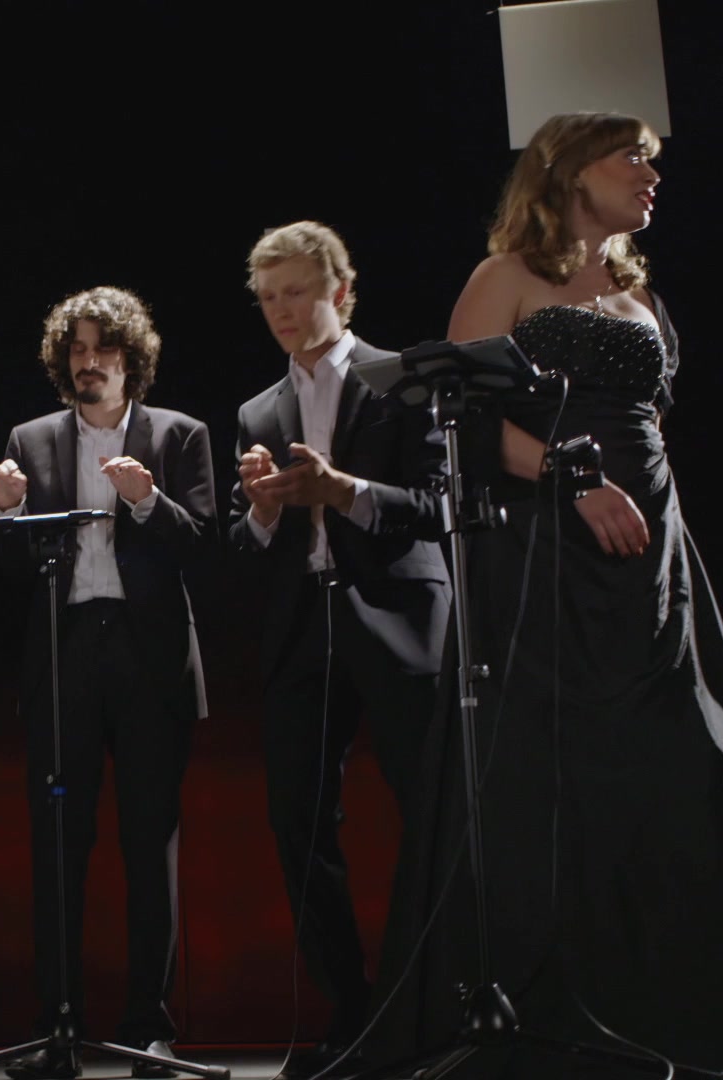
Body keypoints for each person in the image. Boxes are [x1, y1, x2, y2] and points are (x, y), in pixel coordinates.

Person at [376, 112, 723, 1079]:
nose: (650, 174)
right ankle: (552, 1008)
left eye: (651, 161)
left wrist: (649, 510)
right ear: (567, 171)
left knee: (676, 759)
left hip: (650, 558)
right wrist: (574, 479)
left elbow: (652, 425)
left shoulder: (639, 293)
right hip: (548, 549)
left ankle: (689, 1018)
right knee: (557, 762)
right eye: (631, 156)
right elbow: (464, 423)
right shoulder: (505, 276)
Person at [227, 223, 449, 1076]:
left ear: (341, 293)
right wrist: (263, 510)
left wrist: (343, 490)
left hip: (396, 617)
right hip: (301, 630)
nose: (282, 310)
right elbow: (244, 546)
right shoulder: (257, 412)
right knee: (297, 824)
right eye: (268, 298)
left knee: (432, 814)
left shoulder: (405, 380)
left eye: (297, 292)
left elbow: (437, 506)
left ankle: (429, 1012)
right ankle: (349, 1018)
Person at [0, 287, 215, 1080]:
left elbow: (202, 545)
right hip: (66, 651)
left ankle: (151, 1031)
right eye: (77, 351)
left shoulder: (179, 434)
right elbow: (14, 570)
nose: (89, 363)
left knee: (150, 846)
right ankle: (58, 1028)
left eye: (103, 349)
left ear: (130, 358)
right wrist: (7, 514)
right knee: (57, 848)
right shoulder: (31, 439)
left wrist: (147, 501)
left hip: (150, 659)